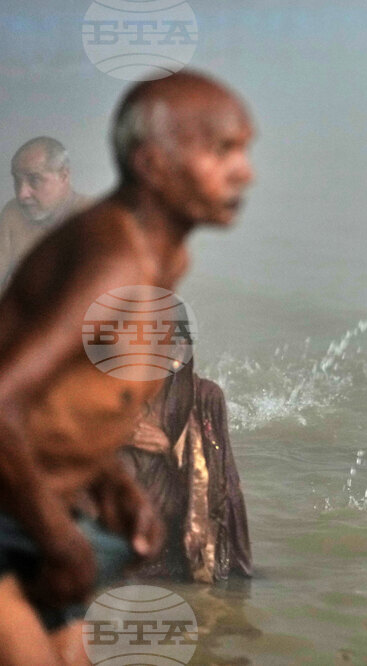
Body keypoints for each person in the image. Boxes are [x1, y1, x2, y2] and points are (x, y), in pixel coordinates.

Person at [0, 71, 254, 664]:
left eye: (244, 150)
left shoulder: (162, 256)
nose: (244, 171)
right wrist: (61, 540)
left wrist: (110, 482)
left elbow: (62, 401)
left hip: (31, 508)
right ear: (153, 164)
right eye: (221, 151)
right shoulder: (116, 256)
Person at [120, 318, 252, 584]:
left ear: (178, 353)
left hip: (178, 561)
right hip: (121, 555)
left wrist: (172, 449)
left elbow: (220, 492)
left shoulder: (204, 398)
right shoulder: (116, 399)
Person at [0, 137, 89, 289]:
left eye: (34, 179)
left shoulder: (97, 218)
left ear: (64, 176)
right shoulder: (12, 212)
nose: (22, 194)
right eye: (17, 181)